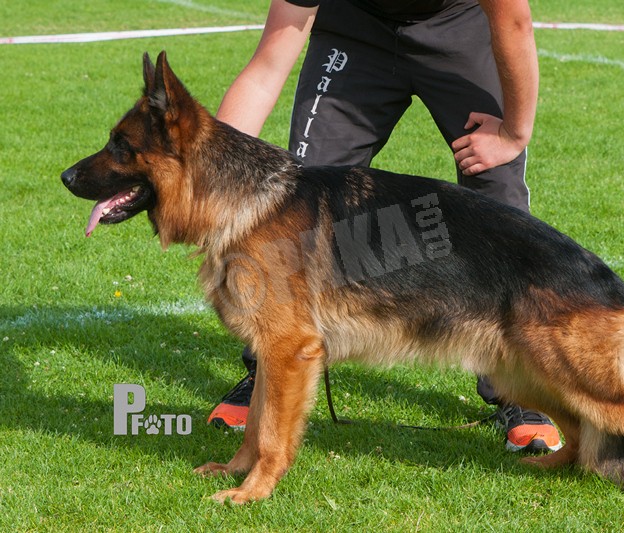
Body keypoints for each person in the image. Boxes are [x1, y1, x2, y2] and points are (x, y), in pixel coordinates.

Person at [207, 0, 562, 454]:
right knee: (302, 203)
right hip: (354, 28)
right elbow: (266, 68)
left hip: (457, 26)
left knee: (498, 197)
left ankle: (521, 390)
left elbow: (514, 22)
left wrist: (513, 133)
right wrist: (211, 174)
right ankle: (268, 371)